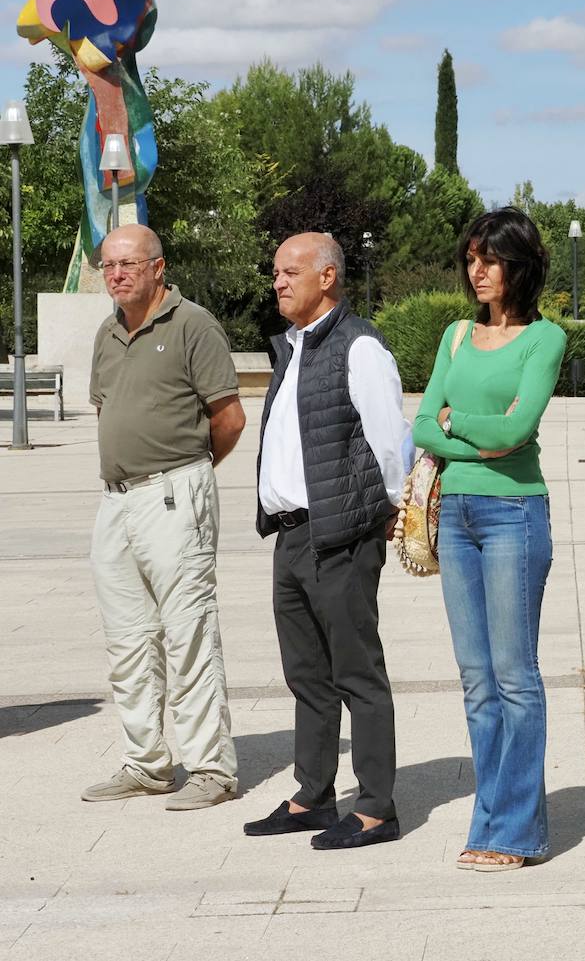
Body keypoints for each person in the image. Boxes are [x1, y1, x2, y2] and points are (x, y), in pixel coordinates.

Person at [412, 209, 566, 871]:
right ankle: (491, 819)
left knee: (514, 676)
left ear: (519, 266)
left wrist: (461, 421)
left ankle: (515, 832)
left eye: (491, 258)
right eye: (471, 257)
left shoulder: (544, 339)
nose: (477, 270)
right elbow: (422, 425)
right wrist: (474, 428)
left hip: (514, 515)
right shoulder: (453, 335)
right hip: (458, 514)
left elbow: (518, 431)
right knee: (477, 681)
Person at [247, 233, 407, 850]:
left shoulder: (358, 345)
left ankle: (375, 807)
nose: (279, 282)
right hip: (289, 535)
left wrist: (389, 514)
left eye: (291, 272)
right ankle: (313, 792)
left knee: (356, 672)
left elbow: (389, 439)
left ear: (328, 278)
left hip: (340, 533)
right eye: (276, 272)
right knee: (306, 675)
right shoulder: (290, 348)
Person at [83, 224, 244, 810]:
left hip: (175, 494)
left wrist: (189, 471)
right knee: (127, 638)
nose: (117, 274)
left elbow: (228, 419)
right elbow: (108, 409)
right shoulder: (106, 333)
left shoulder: (193, 324)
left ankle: (211, 769)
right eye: (108, 265)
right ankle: (147, 762)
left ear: (158, 268)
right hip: (117, 500)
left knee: (188, 633)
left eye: (128, 263)